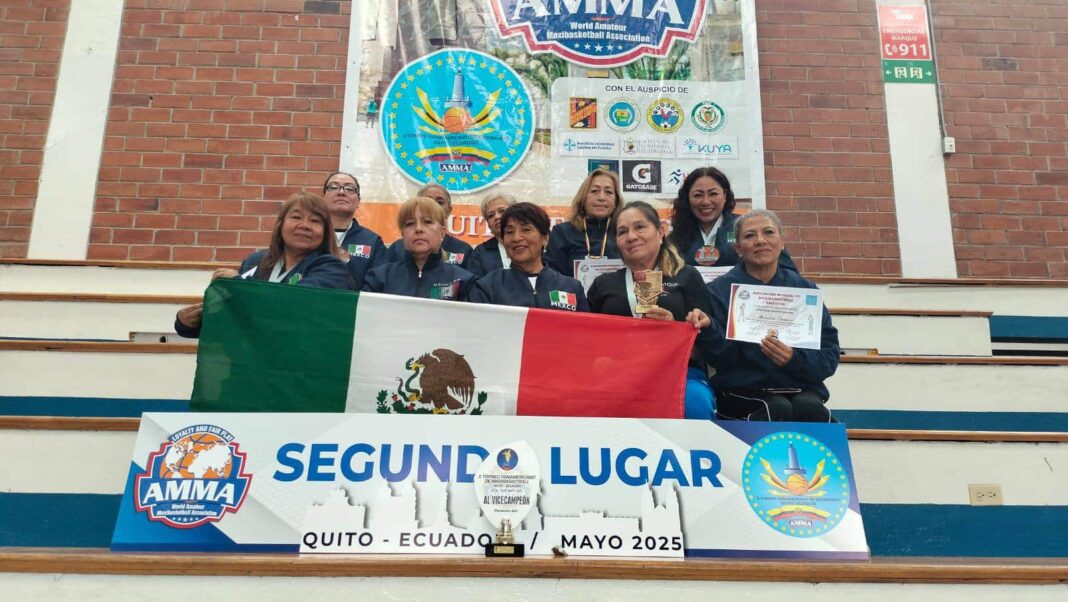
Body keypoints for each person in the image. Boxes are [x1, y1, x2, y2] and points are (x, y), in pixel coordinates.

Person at [700, 209, 839, 422]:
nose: (760, 240)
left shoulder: (805, 291)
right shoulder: (718, 292)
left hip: (800, 387)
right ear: (738, 248)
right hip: (744, 390)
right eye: (749, 235)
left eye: (768, 232)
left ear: (782, 242)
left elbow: (828, 357)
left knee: (810, 408)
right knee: (776, 407)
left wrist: (793, 358)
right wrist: (711, 329)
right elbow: (720, 358)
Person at [587, 201, 715, 420]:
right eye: (622, 232)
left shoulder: (687, 276)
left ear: (661, 232)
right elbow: (589, 340)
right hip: (617, 373)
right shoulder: (604, 284)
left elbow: (710, 344)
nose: (631, 236)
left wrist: (677, 330)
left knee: (695, 403)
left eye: (639, 227)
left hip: (678, 373)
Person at [174, 192, 352, 338]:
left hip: (299, 364)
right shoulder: (255, 262)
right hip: (250, 364)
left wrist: (239, 286)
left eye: (315, 221)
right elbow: (234, 314)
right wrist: (189, 323)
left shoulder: (331, 268)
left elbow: (295, 304)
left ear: (325, 231)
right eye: (296, 217)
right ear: (281, 225)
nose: (304, 225)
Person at [668, 167, 798, 273]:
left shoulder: (747, 228)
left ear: (725, 195)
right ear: (687, 198)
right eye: (698, 195)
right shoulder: (676, 235)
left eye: (713, 194)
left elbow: (787, 272)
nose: (706, 201)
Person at [470, 202, 588, 311]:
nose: (516, 238)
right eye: (510, 232)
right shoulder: (489, 286)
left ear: (545, 238)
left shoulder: (571, 288)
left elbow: (584, 326)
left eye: (526, 230)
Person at [363, 195, 475, 300]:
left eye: (427, 222)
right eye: (410, 223)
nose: (418, 229)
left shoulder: (464, 281)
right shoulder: (379, 278)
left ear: (442, 233)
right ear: (403, 234)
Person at [545, 168, 622, 278]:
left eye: (608, 192)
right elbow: (552, 277)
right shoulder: (562, 232)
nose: (601, 197)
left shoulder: (624, 232)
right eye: (594, 191)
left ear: (616, 201)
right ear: (583, 198)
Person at [384, 183, 472, 269]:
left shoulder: (464, 250)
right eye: (427, 201)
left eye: (440, 202)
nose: (433, 206)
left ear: (449, 210)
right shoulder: (397, 249)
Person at [322, 171, 386, 289]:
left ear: (358, 201)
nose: (341, 192)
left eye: (350, 189)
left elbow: (377, 285)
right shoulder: (310, 236)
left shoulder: (372, 241)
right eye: (334, 187)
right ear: (323, 198)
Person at [468, 193, 517, 277]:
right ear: (488, 225)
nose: (497, 217)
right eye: (491, 215)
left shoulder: (531, 244)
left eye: (502, 211)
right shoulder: (481, 252)